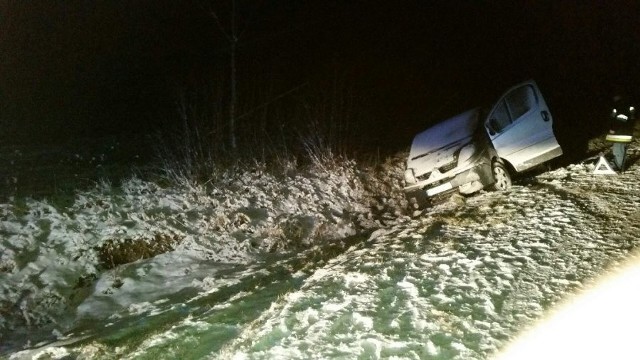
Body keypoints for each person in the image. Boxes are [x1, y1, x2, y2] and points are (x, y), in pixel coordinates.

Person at [605, 94, 636, 171]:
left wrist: (612, 128)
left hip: (620, 133)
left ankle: (618, 166)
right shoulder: (630, 107)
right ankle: (619, 164)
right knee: (621, 148)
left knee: (618, 149)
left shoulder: (619, 106)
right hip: (628, 132)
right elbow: (632, 119)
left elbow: (617, 119)